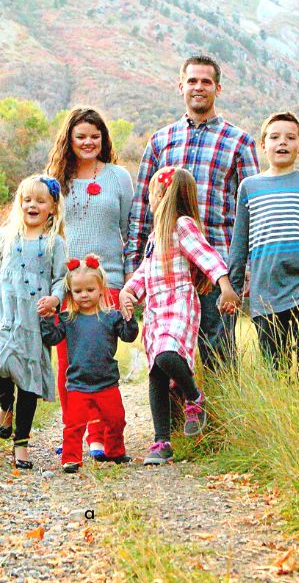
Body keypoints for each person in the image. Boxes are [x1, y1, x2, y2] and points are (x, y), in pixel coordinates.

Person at [125, 54, 259, 370]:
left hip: (217, 266)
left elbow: (252, 210)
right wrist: (133, 265)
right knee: (167, 351)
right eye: (192, 81)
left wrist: (250, 264)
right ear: (181, 86)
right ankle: (172, 418)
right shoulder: (160, 141)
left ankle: (223, 417)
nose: (199, 87)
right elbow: (142, 208)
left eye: (206, 82)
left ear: (218, 88)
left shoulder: (239, 142)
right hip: (167, 268)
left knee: (219, 351)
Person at [120, 167, 240, 465]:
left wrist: (225, 287)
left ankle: (193, 396)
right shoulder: (154, 237)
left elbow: (207, 256)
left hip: (180, 305)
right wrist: (128, 292)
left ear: (163, 196)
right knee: (156, 375)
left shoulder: (182, 226)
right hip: (155, 311)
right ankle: (161, 442)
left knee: (165, 355)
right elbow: (144, 273)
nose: (150, 202)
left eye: (152, 196)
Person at [45, 108, 134, 459]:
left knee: (97, 358)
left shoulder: (118, 177)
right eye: (81, 136)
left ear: (104, 139)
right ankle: (75, 431)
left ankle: (98, 436)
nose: (88, 142)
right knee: (68, 363)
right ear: (69, 140)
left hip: (106, 282)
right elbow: (47, 230)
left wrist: (128, 280)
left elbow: (131, 231)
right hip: (66, 284)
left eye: (94, 136)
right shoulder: (54, 179)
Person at [0, 175, 67, 469]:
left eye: (40, 200)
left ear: (52, 207)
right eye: (27, 200)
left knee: (28, 381)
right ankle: (4, 405)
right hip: (5, 313)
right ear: (19, 203)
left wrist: (55, 299)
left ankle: (21, 444)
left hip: (35, 320)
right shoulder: (5, 236)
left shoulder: (54, 242)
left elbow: (62, 277)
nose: (32, 205)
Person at [228, 112, 299, 375]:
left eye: (290, 137)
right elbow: (239, 244)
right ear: (263, 145)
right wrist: (232, 287)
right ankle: (284, 407)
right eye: (274, 137)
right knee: (274, 362)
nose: (282, 143)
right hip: (265, 290)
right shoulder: (249, 187)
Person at [41, 255, 138, 473]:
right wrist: (48, 318)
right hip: (78, 383)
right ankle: (71, 458)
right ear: (70, 293)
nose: (84, 295)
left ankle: (115, 452)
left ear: (101, 288)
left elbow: (128, 336)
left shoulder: (112, 317)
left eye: (90, 290)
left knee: (116, 420)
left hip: (107, 382)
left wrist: (129, 317)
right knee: (74, 425)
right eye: (78, 291)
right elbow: (52, 338)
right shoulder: (68, 319)